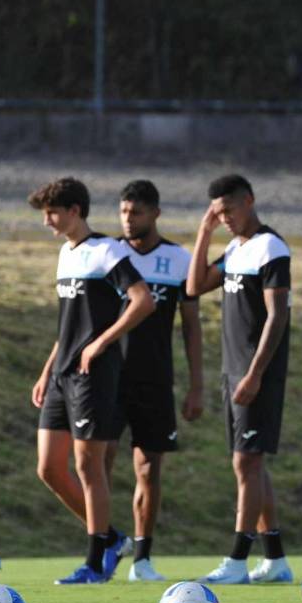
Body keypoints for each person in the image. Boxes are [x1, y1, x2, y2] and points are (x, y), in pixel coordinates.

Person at [29, 177, 155, 584]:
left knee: (88, 465)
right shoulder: (66, 254)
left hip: (93, 375)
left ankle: (95, 561)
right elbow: (69, 324)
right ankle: (112, 538)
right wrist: (47, 370)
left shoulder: (106, 250)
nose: (47, 220)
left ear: (75, 211)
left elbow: (143, 300)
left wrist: (101, 343)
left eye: (52, 212)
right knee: (49, 468)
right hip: (61, 374)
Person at [187, 174, 294, 584]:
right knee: (251, 462)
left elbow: (277, 316)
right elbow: (195, 285)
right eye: (218, 213)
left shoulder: (271, 247)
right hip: (232, 371)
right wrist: (204, 232)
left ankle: (237, 560)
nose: (225, 218)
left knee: (245, 462)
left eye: (228, 210)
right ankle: (275, 560)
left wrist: (254, 374)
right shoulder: (235, 249)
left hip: (256, 373)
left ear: (248, 201)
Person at [114, 179, 204, 582]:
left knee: (148, 470)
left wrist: (196, 385)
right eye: (123, 211)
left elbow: (191, 326)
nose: (128, 219)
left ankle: (142, 558)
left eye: (136, 212)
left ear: (155, 214)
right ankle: (100, 549)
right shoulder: (109, 253)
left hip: (154, 379)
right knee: (96, 464)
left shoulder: (178, 258)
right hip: (107, 379)